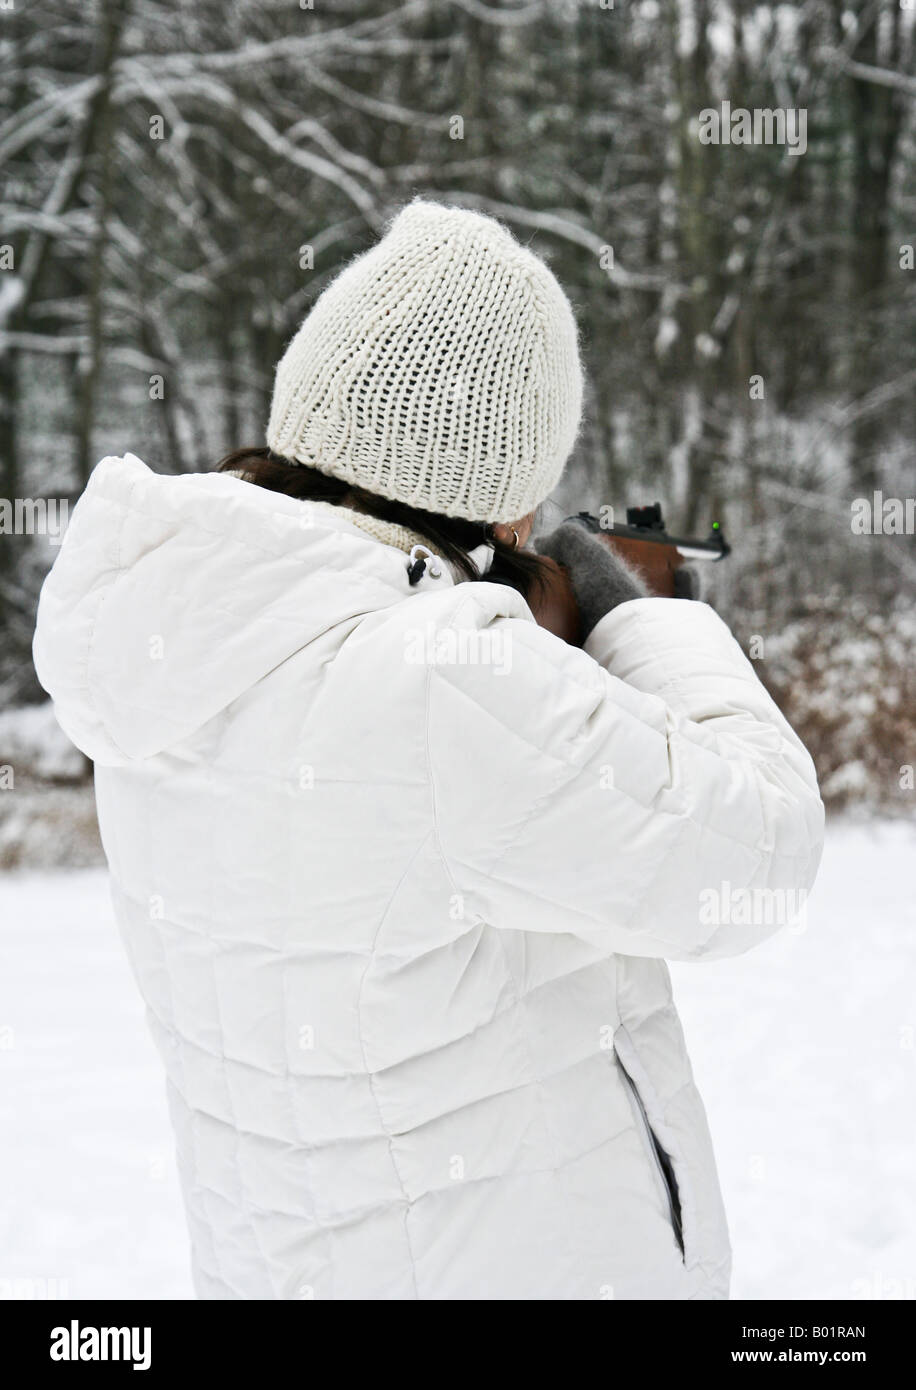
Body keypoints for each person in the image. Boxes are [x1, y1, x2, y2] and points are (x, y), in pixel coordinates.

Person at [33, 201, 824, 1300]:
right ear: (504, 494)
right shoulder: (446, 681)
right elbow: (761, 851)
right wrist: (634, 610)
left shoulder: (178, 640)